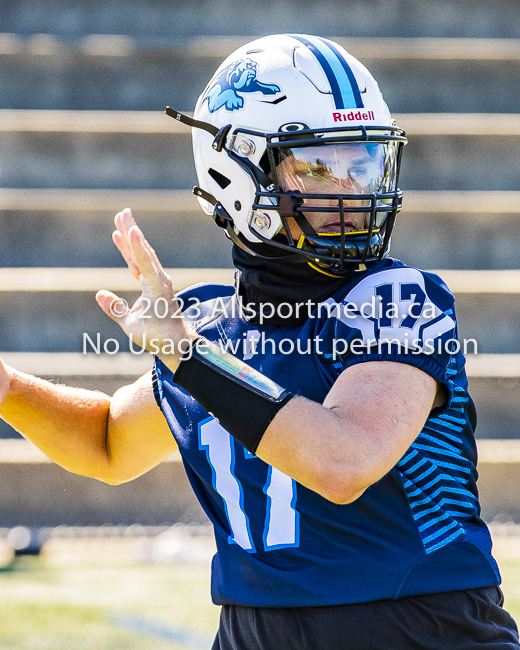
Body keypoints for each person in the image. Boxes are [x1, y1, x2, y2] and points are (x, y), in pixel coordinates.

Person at [0, 34, 518, 650]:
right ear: (235, 175)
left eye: (364, 164)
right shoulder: (206, 327)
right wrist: (7, 389)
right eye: (321, 167)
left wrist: (187, 354)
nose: (352, 190)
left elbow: (344, 460)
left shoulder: (396, 297)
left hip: (424, 633)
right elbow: (110, 442)